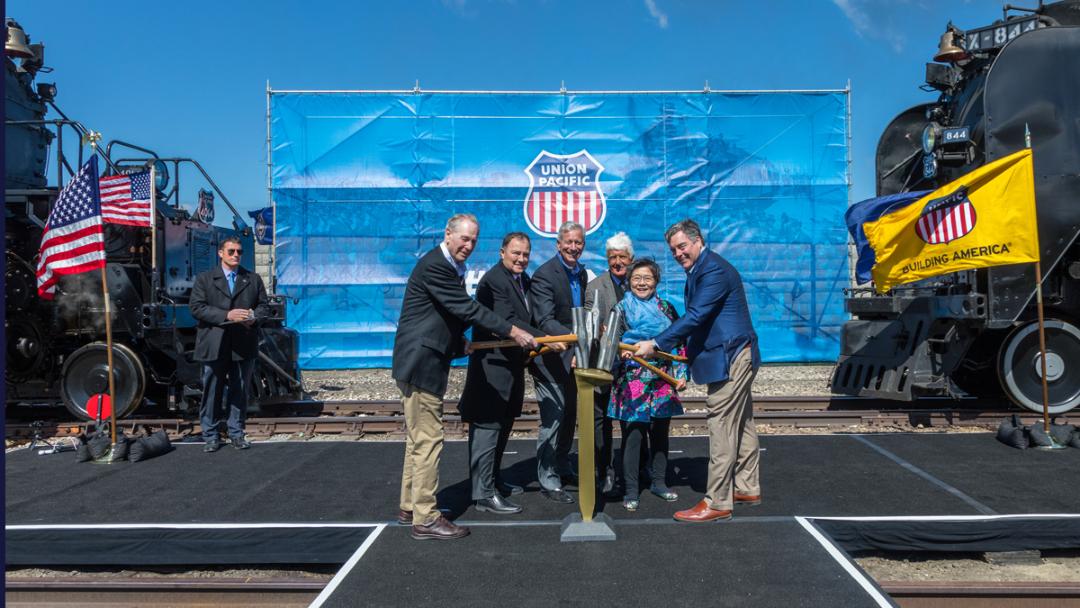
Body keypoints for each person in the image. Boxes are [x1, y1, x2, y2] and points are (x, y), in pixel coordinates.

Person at [393, 214, 538, 540]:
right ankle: (426, 518)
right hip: (421, 362)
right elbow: (464, 308)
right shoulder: (436, 265)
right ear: (448, 234)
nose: (468, 245)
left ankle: (409, 506)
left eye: (473, 240)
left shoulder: (448, 268)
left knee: (417, 440)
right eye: (464, 238)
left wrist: (460, 342)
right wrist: (512, 329)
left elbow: (441, 314)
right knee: (429, 441)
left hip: (425, 359)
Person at [635, 219, 761, 522]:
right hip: (732, 353)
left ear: (697, 241)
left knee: (720, 421)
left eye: (682, 246)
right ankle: (747, 487)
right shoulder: (699, 270)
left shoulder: (713, 270)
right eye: (674, 249)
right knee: (741, 423)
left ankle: (717, 501)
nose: (678, 253)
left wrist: (655, 343)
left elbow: (695, 316)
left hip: (731, 355)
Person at [459, 232, 565, 515]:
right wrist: (545, 339)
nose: (521, 259)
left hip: (511, 368)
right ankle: (483, 495)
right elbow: (510, 321)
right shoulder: (493, 281)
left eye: (526, 254)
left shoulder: (522, 280)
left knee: (503, 429)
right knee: (487, 431)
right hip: (491, 370)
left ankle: (493, 480)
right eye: (516, 253)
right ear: (502, 251)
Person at [609, 259, 687, 511]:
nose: (642, 283)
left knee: (660, 436)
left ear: (656, 281)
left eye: (648, 278)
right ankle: (631, 490)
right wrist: (619, 354)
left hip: (662, 380)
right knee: (632, 438)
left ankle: (659, 483)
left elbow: (680, 341)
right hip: (632, 383)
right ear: (628, 281)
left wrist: (682, 372)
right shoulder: (620, 309)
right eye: (637, 278)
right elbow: (611, 342)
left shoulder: (666, 308)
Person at [190, 237, 269, 453]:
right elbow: (197, 307)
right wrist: (227, 315)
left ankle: (236, 433)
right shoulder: (205, 279)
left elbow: (264, 306)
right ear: (221, 253)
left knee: (240, 390)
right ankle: (211, 435)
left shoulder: (252, 279)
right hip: (215, 342)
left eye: (239, 252)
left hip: (243, 343)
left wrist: (254, 317)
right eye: (232, 251)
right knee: (212, 390)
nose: (236, 255)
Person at [528, 221, 588, 504]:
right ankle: (548, 478)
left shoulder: (582, 274)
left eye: (578, 242)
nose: (573, 247)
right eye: (569, 242)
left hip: (574, 358)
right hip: (549, 359)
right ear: (558, 244)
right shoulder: (544, 276)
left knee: (570, 417)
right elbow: (544, 320)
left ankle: (562, 466)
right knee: (553, 419)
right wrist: (579, 337)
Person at [584, 231, 634, 495]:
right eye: (612, 257)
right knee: (600, 420)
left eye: (622, 257)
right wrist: (597, 329)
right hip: (602, 363)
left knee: (632, 421)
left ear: (631, 258)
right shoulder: (594, 287)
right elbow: (588, 322)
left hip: (633, 365)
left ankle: (633, 470)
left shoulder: (641, 282)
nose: (617, 262)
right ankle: (603, 470)